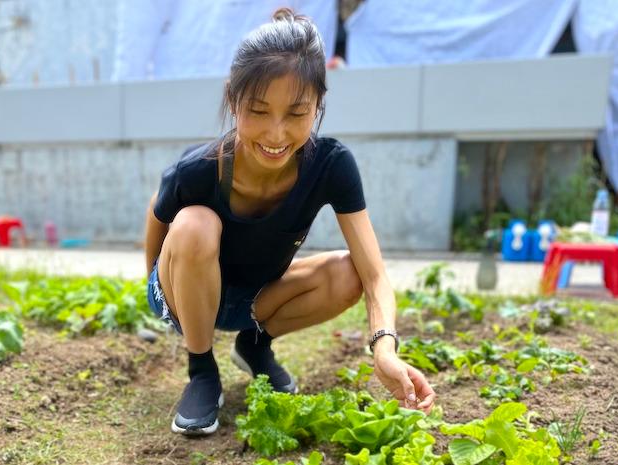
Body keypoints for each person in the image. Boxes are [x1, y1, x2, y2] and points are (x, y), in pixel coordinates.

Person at [143, 8, 435, 436]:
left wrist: (385, 350)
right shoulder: (197, 170)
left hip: (258, 296)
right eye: (258, 111)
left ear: (318, 106)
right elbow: (158, 218)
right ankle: (202, 370)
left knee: (348, 271)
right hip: (187, 289)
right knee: (194, 224)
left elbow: (375, 277)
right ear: (233, 100)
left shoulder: (331, 165)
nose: (276, 134)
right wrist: (162, 292)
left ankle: (255, 346)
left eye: (296, 113)